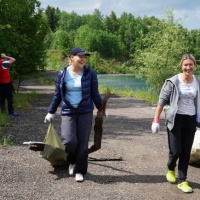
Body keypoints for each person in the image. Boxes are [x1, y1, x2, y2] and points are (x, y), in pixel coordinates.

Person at [44, 47, 103, 182]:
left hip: (85, 111)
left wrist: (101, 109)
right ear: (71, 58)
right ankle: (71, 161)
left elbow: (95, 93)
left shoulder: (90, 73)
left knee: (82, 142)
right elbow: (58, 95)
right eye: (80, 56)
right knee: (69, 141)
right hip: (68, 111)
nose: (83, 59)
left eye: (84, 57)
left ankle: (79, 170)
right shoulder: (62, 74)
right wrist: (51, 111)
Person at [151, 54, 200, 193]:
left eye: (191, 65)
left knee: (186, 151)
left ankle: (182, 180)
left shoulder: (197, 81)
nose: (188, 67)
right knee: (176, 150)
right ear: (181, 66)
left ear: (194, 66)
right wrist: (156, 120)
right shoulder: (173, 81)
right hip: (175, 119)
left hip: (190, 119)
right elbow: (161, 101)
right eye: (186, 65)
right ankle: (170, 167)